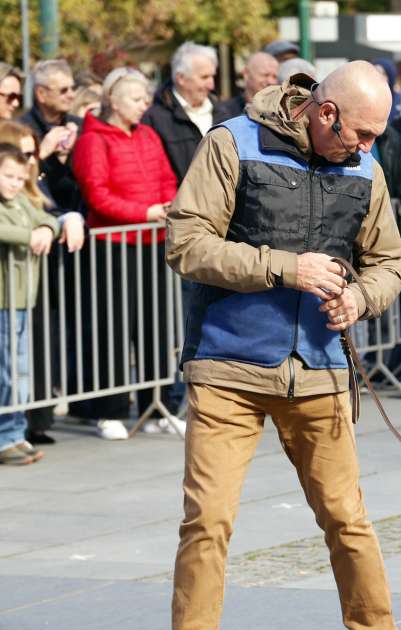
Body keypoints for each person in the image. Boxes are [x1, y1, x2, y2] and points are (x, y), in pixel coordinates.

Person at [163, 61, 401, 630]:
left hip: (320, 371)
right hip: (227, 367)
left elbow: (389, 263)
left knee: (347, 518)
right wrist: (283, 268)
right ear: (325, 113)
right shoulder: (231, 142)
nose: (368, 148)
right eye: (360, 134)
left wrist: (360, 298)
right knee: (207, 521)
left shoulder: (366, 169)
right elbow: (186, 243)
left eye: (375, 137)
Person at [72, 68, 179, 440]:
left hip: (151, 241)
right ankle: (111, 410)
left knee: (155, 326)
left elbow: (166, 177)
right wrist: (144, 212)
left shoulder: (148, 134)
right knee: (114, 328)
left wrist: (166, 205)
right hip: (114, 245)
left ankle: (157, 405)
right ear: (113, 102)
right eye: (136, 99)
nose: (143, 105)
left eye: (145, 98)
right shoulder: (92, 140)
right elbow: (97, 194)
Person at [0, 143, 61, 465]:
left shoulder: (21, 200)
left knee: (19, 370)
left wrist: (46, 227)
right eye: (9, 177)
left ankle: (16, 432)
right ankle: (2, 435)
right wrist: (29, 236)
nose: (16, 184)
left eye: (21, 178)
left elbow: (47, 217)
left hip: (21, 299)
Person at [143, 43, 218, 185]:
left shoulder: (224, 113)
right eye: (204, 77)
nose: (211, 85)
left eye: (212, 76)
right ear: (181, 78)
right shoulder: (154, 119)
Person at [19, 59, 83, 213]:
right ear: (41, 93)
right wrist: (42, 152)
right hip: (41, 215)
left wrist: (73, 153)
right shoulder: (21, 129)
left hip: (79, 215)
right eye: (63, 90)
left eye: (73, 88)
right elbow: (15, 176)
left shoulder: (80, 125)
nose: (71, 95)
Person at [212, 52, 279, 124]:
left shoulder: (280, 113)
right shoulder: (225, 112)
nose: (271, 81)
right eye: (265, 75)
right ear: (246, 74)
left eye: (274, 77)